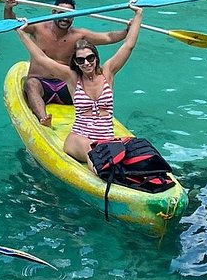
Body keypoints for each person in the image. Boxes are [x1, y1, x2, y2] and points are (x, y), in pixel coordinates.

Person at [16, 10, 144, 170]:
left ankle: (113, 170)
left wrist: (138, 15)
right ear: (75, 62)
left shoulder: (108, 73)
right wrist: (20, 32)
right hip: (78, 140)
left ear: (96, 58)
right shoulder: (72, 78)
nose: (86, 63)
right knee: (92, 149)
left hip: (106, 139)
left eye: (90, 58)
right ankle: (104, 178)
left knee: (127, 149)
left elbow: (128, 45)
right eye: (80, 60)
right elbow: (42, 58)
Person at [2, 0, 136, 126]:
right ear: (53, 12)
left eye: (69, 15)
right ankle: (44, 120)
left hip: (66, 87)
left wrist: (127, 30)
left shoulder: (79, 35)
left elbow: (108, 37)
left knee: (90, 84)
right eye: (61, 13)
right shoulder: (38, 27)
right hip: (41, 84)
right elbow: (12, 23)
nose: (65, 18)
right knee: (31, 84)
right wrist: (9, 8)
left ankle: (95, 118)